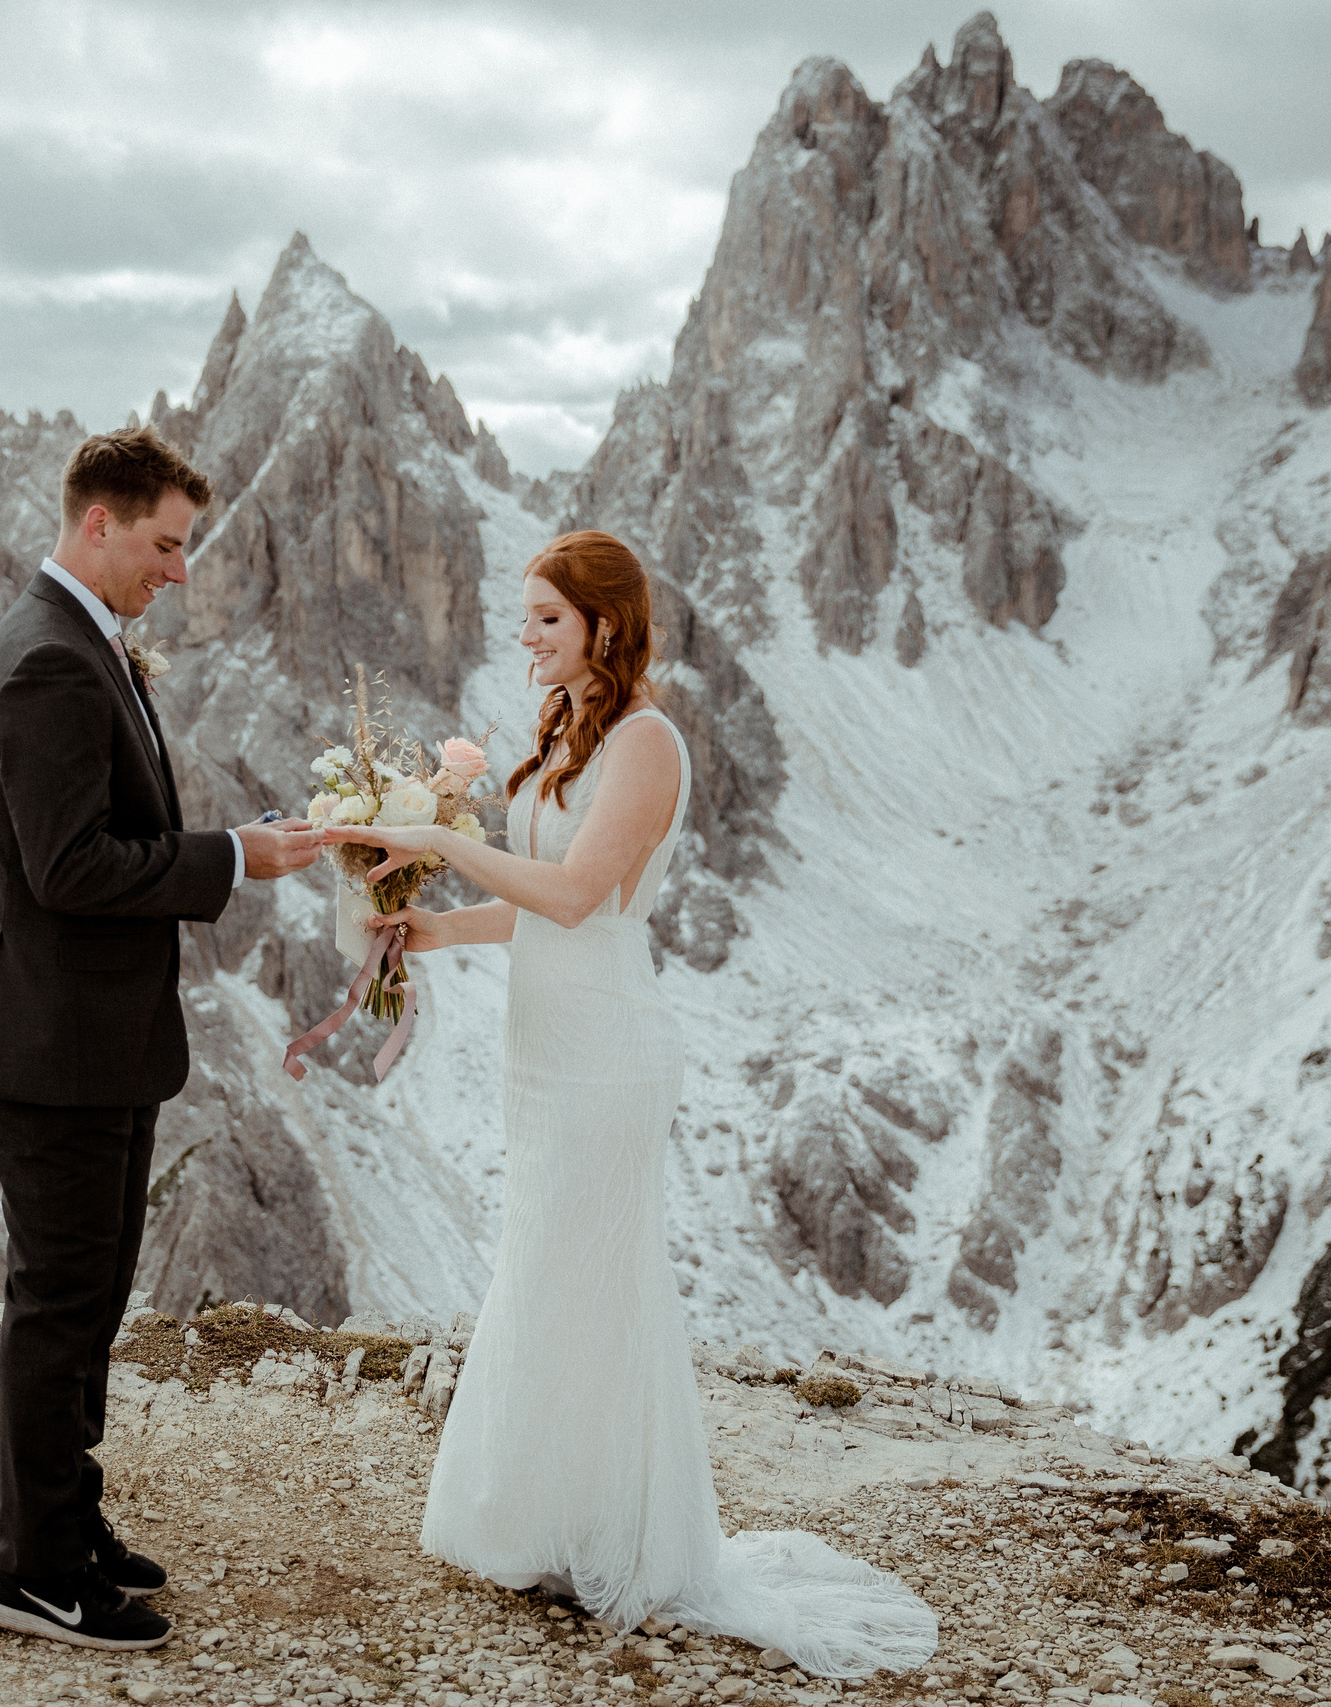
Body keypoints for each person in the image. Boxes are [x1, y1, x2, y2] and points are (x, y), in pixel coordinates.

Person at [321, 530, 940, 1676]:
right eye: (522, 619)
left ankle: (617, 1537)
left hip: (608, 1048)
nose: (525, 639)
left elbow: (575, 895)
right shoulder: (567, 731)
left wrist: (428, 840)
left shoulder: (646, 742)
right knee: (547, 1266)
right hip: (544, 1043)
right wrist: (426, 928)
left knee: (589, 1270)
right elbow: (533, 909)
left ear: (605, 625)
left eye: (545, 620)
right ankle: (551, 1521)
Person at [0, 426, 324, 1652]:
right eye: (165, 543)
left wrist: (224, 844)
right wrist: (233, 859)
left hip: (92, 1038)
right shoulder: (47, 659)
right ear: (98, 524)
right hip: (51, 1046)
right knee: (57, 1303)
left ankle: (61, 1522)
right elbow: (69, 868)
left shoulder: (81, 641)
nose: (180, 569)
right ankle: (34, 1573)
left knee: (88, 1298)